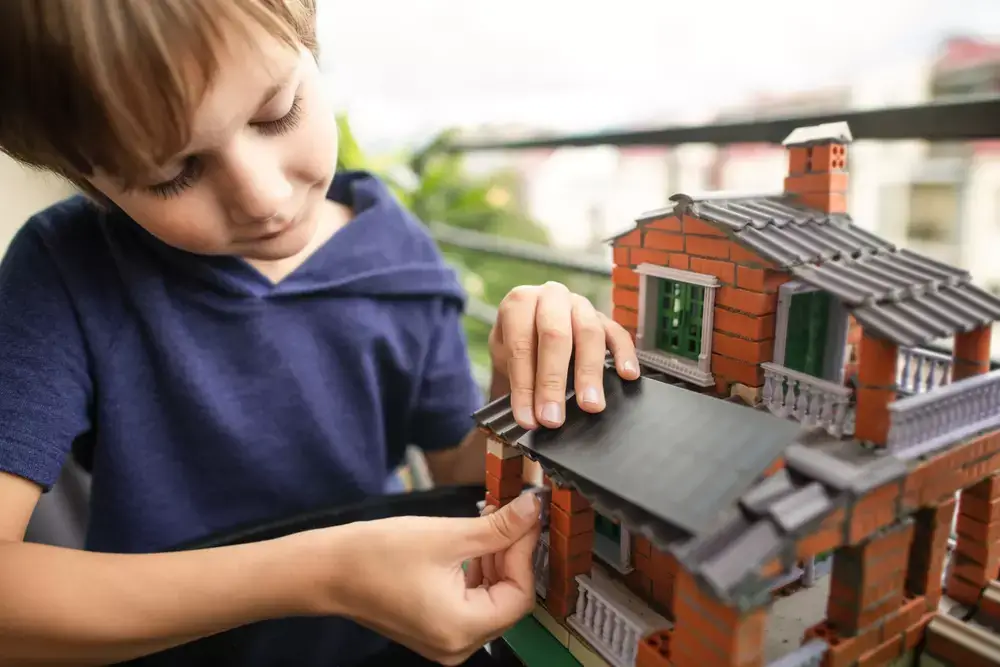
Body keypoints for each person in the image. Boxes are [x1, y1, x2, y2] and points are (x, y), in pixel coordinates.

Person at [0, 1, 640, 666]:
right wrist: (321, 573)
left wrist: (517, 391)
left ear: (310, 46)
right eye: (173, 174)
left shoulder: (401, 258)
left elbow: (459, 471)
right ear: (87, 179)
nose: (264, 198)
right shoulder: (63, 270)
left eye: (277, 112)